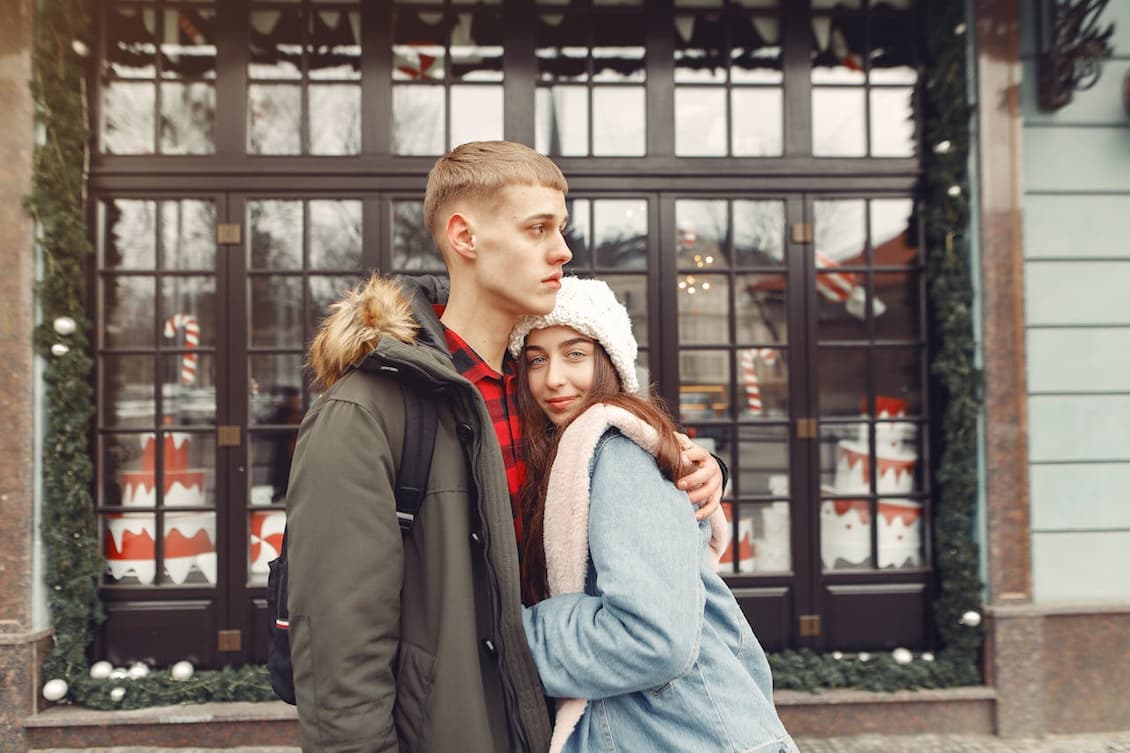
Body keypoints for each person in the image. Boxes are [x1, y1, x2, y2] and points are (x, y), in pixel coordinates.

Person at [284, 141, 725, 753]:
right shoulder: (365, 411)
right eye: (537, 228)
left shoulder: (539, 393)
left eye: (561, 228)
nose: (562, 250)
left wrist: (700, 469)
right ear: (465, 237)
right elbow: (338, 651)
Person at [511, 277, 798, 753]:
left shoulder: (620, 452)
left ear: (610, 360)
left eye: (575, 354)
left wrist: (505, 637)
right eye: (536, 359)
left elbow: (651, 636)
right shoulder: (569, 452)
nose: (552, 378)